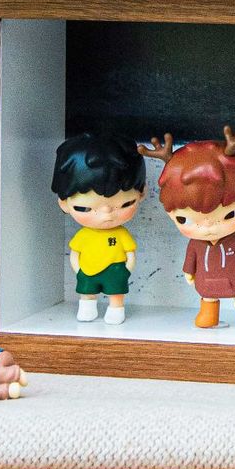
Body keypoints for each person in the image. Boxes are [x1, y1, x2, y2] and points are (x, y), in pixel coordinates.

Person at [147, 128, 235, 330]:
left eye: (229, 215)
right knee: (208, 297)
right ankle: (209, 318)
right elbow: (191, 258)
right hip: (206, 281)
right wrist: (188, 271)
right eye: (184, 219)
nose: (208, 228)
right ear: (169, 213)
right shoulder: (196, 244)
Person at [51, 132, 148, 325]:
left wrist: (127, 270)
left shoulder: (121, 234)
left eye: (125, 204)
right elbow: (75, 253)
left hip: (116, 270)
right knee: (87, 293)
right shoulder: (84, 235)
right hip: (87, 270)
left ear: (142, 193)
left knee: (116, 294)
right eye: (85, 208)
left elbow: (130, 253)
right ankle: (87, 309)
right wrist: (79, 269)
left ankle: (116, 310)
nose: (106, 215)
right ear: (63, 203)